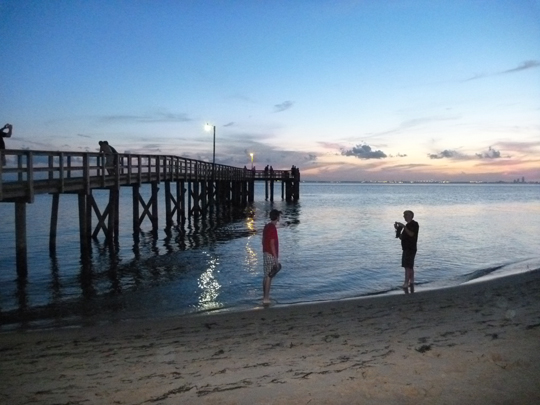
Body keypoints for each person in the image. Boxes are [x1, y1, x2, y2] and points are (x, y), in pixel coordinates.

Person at [394, 210, 419, 291]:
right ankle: (411, 282)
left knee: (408, 266)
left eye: (406, 215)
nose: (405, 216)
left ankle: (406, 283)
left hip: (410, 248)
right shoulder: (407, 225)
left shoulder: (414, 224)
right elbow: (402, 237)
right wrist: (397, 229)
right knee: (408, 266)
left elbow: (412, 234)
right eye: (404, 215)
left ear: (411, 216)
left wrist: (404, 226)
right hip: (406, 248)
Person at [262, 209, 281, 305]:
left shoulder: (266, 227)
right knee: (270, 276)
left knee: (266, 276)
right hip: (270, 254)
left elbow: (264, 240)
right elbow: (272, 243)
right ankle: (266, 298)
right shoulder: (273, 228)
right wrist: (276, 259)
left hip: (265, 253)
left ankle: (264, 296)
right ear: (277, 217)